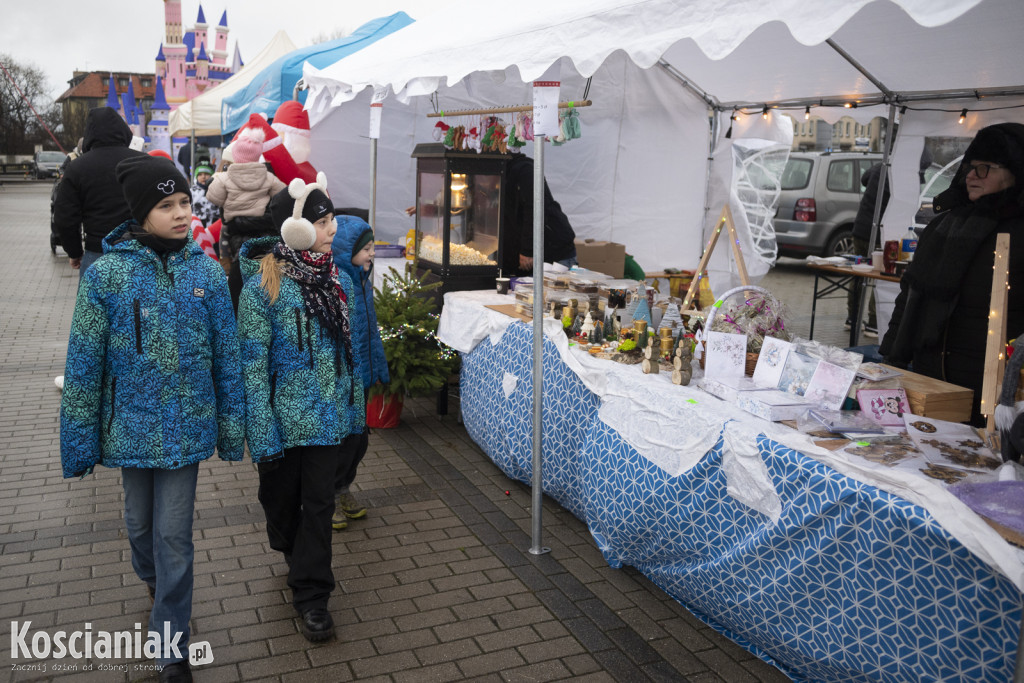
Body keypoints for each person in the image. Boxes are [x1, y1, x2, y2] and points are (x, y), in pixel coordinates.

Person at [60, 155, 245, 683]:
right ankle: (153, 581)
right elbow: (84, 364)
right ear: (141, 213)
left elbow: (228, 360)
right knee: (140, 527)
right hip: (130, 430)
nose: (183, 213)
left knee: (173, 535)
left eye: (186, 202)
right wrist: (78, 441)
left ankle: (170, 646)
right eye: (167, 205)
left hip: (187, 429)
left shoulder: (207, 274)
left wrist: (232, 428)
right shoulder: (107, 276)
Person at [237, 173, 363, 642]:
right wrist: (262, 432)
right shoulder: (263, 289)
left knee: (320, 505)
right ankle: (292, 550)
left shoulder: (337, 278)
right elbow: (251, 365)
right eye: (324, 220)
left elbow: (347, 358)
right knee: (282, 504)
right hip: (283, 420)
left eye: (331, 219)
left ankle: (313, 595)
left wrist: (354, 412)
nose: (333, 228)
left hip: (327, 420)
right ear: (296, 229)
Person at [880, 122, 1024, 427]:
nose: (971, 175)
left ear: (1016, 172)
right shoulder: (943, 226)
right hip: (929, 379)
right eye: (970, 167)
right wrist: (892, 359)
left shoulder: (1019, 236)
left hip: (991, 393)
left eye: (985, 168)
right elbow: (909, 297)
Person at [329, 217, 390, 531]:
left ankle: (343, 488)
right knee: (342, 441)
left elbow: (372, 334)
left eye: (372, 247)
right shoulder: (337, 283)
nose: (372, 254)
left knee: (359, 442)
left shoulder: (362, 280)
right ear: (344, 249)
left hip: (363, 377)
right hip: (344, 381)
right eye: (366, 248)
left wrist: (378, 369)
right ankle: (330, 497)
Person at [53, 107, 145, 277]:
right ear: (123, 131)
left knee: (93, 303)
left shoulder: (77, 167)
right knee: (140, 304)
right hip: (140, 252)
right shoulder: (143, 162)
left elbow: (65, 217)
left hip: (97, 253)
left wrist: (74, 252)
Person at [208, 122, 288, 310]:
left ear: (235, 156)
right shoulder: (268, 177)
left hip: (235, 232)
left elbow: (214, 197)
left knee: (225, 234)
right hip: (263, 231)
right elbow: (284, 194)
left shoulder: (226, 178)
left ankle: (225, 261)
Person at [505, 152, 577, 273]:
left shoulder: (525, 170)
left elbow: (535, 209)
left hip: (553, 252)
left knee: (553, 289)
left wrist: (528, 250)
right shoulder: (503, 171)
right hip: (529, 252)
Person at [190, 162, 220, 228]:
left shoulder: (217, 190)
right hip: (197, 226)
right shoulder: (192, 192)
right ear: (196, 176)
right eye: (200, 174)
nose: (203, 177)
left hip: (214, 226)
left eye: (206, 174)